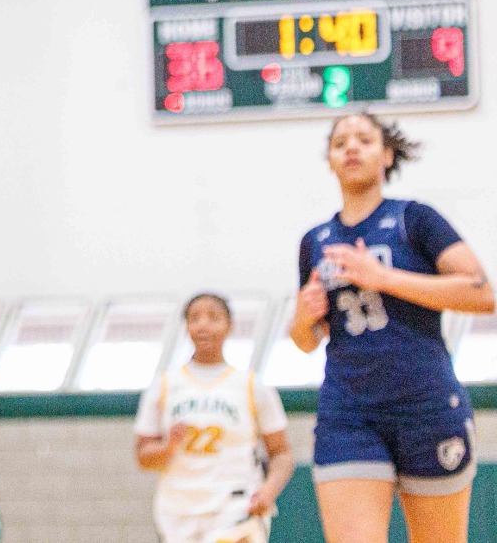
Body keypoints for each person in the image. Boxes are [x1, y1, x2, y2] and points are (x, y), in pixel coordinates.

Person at [289, 112, 494, 543]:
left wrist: (381, 277)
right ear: (329, 159)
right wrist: (302, 318)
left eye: (364, 139)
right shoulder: (316, 240)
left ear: (386, 155)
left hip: (427, 407)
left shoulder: (415, 219)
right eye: (340, 141)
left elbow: (482, 294)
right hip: (349, 414)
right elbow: (305, 341)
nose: (351, 147)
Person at [136, 293, 294, 543]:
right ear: (186, 327)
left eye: (213, 317)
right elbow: (143, 457)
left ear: (229, 325)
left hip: (235, 505)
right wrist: (169, 446)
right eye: (195, 318)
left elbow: (282, 453)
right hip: (178, 509)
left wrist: (269, 491)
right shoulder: (164, 385)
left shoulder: (251, 385)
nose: (203, 325)